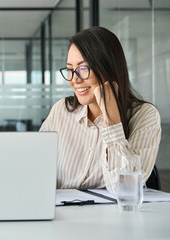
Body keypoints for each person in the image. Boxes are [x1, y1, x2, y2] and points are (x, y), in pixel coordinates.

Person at [40, 26, 161, 193]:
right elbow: (36, 169)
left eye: (83, 68)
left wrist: (112, 121)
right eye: (70, 69)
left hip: (114, 216)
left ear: (108, 69)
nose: (74, 79)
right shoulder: (62, 110)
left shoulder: (144, 115)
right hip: (62, 214)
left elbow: (126, 190)